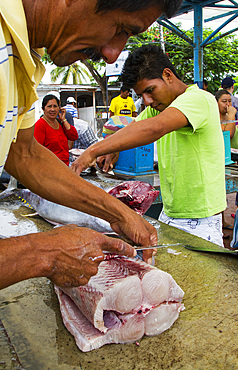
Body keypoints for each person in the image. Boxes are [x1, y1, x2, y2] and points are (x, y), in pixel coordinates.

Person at [0, 0, 184, 289]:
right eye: (120, 28)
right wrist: (43, 253)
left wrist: (118, 213)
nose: (112, 54)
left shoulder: (18, 58)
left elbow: (24, 154)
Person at [72, 44, 226, 247]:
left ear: (168, 75)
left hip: (201, 219)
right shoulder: (160, 107)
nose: (147, 100)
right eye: (141, 95)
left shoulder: (199, 99)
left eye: (150, 90)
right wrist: (114, 146)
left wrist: (93, 150)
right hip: (170, 213)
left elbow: (154, 128)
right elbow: (136, 127)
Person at [34, 95, 78, 166]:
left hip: (64, 167)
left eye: (55, 106)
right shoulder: (40, 125)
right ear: (43, 109)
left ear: (59, 108)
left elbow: (74, 136)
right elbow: (37, 152)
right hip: (49, 168)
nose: (52, 109)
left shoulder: (60, 123)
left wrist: (64, 120)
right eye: (49, 106)